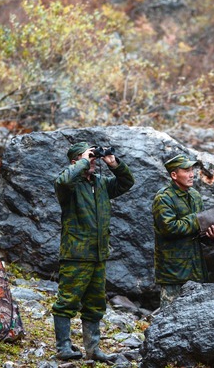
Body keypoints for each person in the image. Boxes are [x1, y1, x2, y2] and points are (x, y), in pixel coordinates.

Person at [52, 141, 135, 362]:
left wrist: (113, 163)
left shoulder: (101, 183)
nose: (92, 161)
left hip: (98, 254)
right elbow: (63, 179)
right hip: (76, 254)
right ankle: (63, 347)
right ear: (75, 161)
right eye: (88, 157)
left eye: (93, 157)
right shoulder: (69, 186)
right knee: (67, 301)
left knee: (96, 303)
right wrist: (82, 162)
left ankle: (93, 349)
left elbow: (127, 182)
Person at [152, 154, 214, 307]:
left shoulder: (195, 196)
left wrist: (213, 236)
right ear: (174, 175)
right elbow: (169, 228)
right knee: (170, 321)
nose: (192, 174)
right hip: (173, 274)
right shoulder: (163, 198)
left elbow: (200, 232)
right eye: (186, 171)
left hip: (196, 271)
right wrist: (198, 219)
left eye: (192, 170)